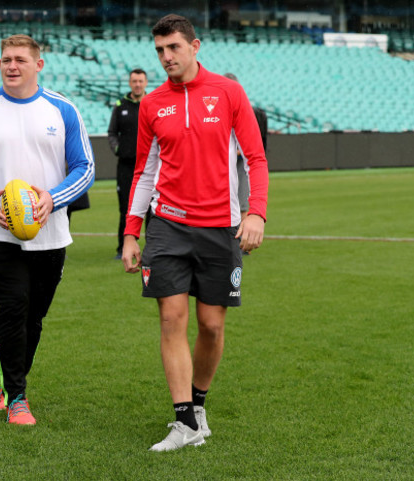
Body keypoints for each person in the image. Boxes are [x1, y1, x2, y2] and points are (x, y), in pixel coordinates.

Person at [121, 14, 269, 452]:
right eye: (160, 51)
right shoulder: (151, 105)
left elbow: (255, 159)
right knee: (171, 318)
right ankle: (183, 420)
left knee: (211, 326)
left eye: (173, 48)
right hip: (166, 225)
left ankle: (198, 406)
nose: (166, 57)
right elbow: (144, 172)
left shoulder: (228, 93)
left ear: (195, 46)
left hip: (220, 228)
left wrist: (255, 213)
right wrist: (132, 232)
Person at [0, 34, 94, 425]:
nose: (11, 66)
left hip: (51, 232)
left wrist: (53, 198)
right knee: (12, 309)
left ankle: (10, 382)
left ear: (38, 65)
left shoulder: (63, 110)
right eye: (5, 60)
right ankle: (16, 397)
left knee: (34, 317)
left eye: (19, 60)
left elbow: (85, 168)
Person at [107, 68, 148, 259]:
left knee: (153, 209)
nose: (137, 84)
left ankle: (152, 248)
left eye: (140, 81)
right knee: (125, 208)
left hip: (150, 168)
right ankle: (121, 247)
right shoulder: (120, 105)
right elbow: (112, 133)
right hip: (126, 166)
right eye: (134, 81)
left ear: (145, 83)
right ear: (130, 83)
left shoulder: (153, 103)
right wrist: (118, 149)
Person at [223, 72, 268, 223]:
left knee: (242, 204)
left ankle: (241, 244)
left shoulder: (249, 111)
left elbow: (255, 149)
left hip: (241, 164)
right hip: (220, 166)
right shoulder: (215, 110)